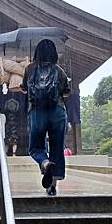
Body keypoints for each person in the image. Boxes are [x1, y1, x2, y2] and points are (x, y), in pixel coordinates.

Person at [22, 39, 70, 196]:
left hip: (37, 112)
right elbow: (66, 91)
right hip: (57, 112)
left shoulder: (29, 69)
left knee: (36, 147)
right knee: (57, 148)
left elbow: (24, 89)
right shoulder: (58, 70)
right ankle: (52, 186)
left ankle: (44, 162)